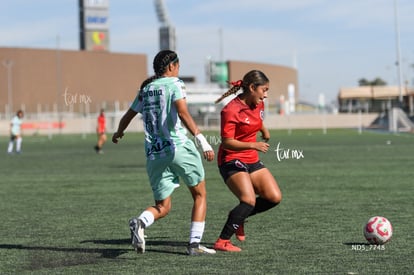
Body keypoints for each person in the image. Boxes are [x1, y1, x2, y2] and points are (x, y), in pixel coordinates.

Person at [112, 50, 216, 256]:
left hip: (154, 154)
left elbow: (128, 115)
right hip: (178, 148)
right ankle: (194, 245)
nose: (178, 70)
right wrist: (202, 140)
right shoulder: (175, 84)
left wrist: (118, 132)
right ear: (171, 66)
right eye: (178, 66)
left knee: (163, 206)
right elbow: (184, 113)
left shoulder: (145, 89)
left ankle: (141, 222)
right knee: (200, 195)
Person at [213, 70, 282, 252]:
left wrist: (264, 129)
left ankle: (239, 217)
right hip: (230, 158)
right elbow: (227, 143)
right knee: (248, 200)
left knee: (274, 197)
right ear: (252, 88)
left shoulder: (258, 103)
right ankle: (222, 241)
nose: (266, 95)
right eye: (264, 90)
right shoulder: (230, 110)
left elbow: (257, 119)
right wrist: (253, 145)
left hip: (251, 158)